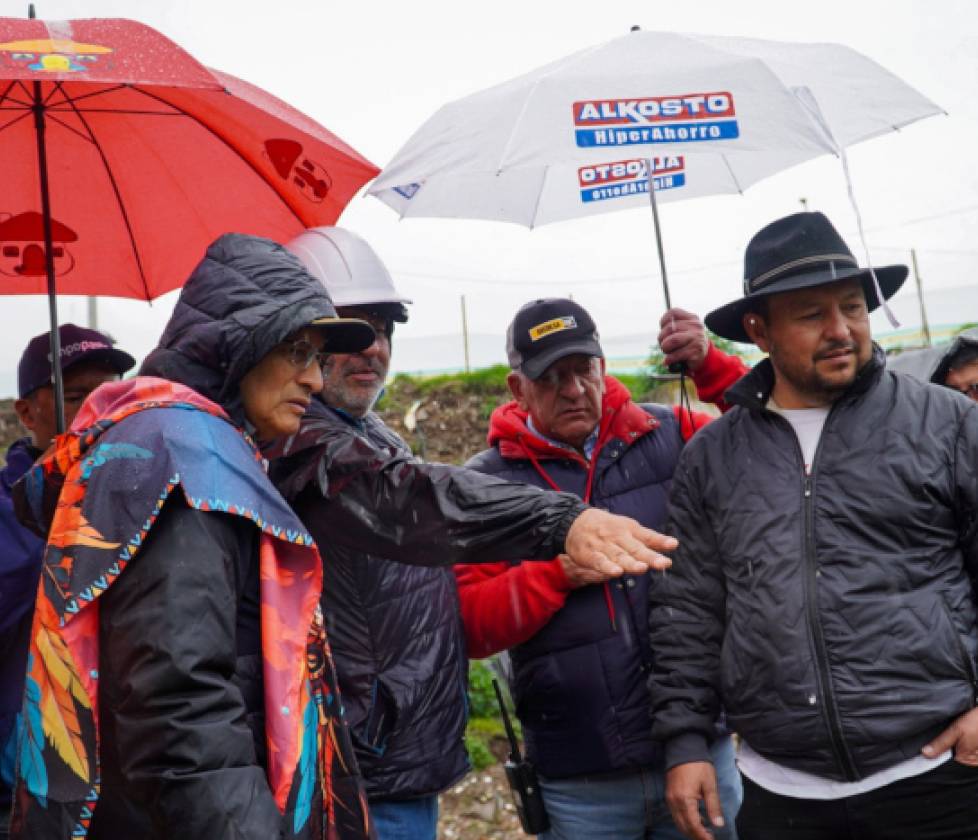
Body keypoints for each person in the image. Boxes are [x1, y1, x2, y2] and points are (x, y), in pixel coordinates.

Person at [274, 227, 681, 840]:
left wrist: (708, 361)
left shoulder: (664, 434)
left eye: (382, 331)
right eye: (348, 334)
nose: (373, 350)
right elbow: (429, 529)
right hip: (368, 765)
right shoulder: (311, 447)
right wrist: (560, 540)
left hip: (407, 757)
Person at [9, 234, 379, 840]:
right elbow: (179, 707)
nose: (315, 379)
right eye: (297, 350)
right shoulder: (182, 460)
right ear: (239, 343)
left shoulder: (185, 444)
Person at [649, 211, 978, 840]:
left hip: (940, 778)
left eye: (852, 307)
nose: (840, 331)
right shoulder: (713, 457)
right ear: (758, 329)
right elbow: (687, 612)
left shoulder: (945, 423)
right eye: (810, 314)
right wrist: (686, 742)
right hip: (780, 794)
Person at [456, 297, 749, 840]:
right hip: (580, 778)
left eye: (583, 370)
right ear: (517, 388)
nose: (573, 389)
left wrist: (709, 365)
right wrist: (558, 575)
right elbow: (471, 624)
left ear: (603, 367)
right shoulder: (481, 486)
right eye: (552, 377)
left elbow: (769, 431)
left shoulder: (670, 435)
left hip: (697, 750)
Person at [0, 325, 134, 836]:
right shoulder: (10, 510)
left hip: (131, 780)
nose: (99, 410)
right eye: (76, 396)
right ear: (27, 413)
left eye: (112, 393)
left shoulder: (148, 496)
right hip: (25, 786)